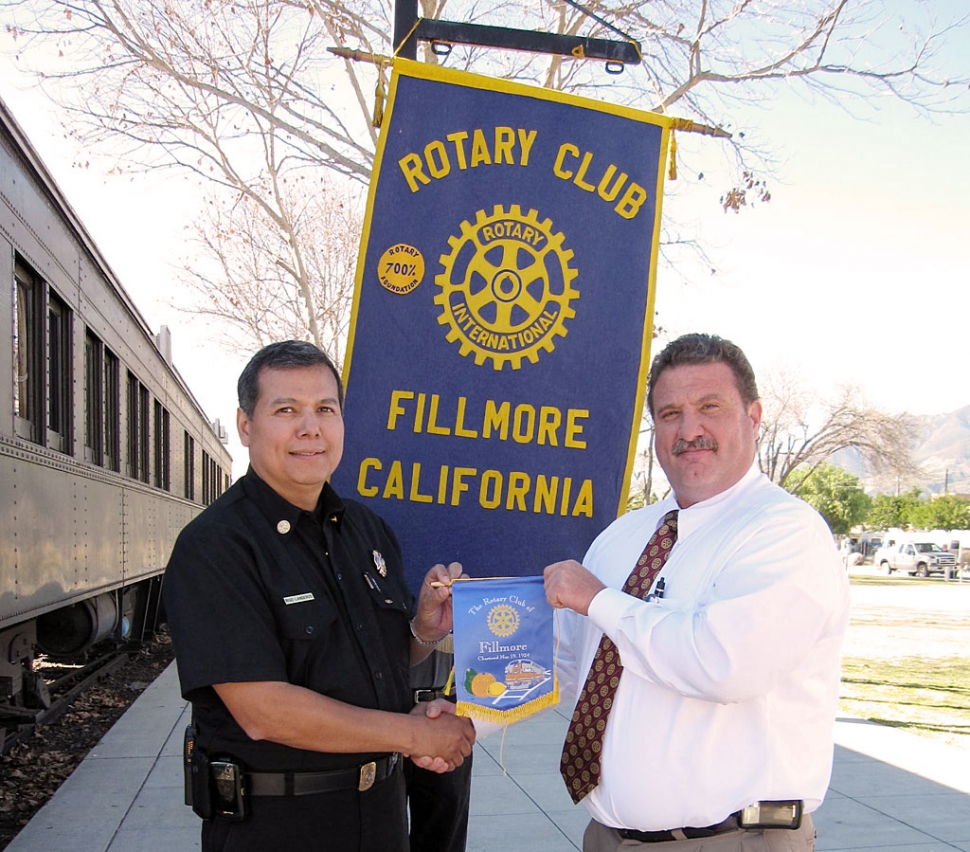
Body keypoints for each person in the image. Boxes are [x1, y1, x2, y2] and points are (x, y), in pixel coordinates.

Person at [163, 340, 476, 852]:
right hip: (279, 827)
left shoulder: (368, 531)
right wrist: (412, 734)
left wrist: (421, 631)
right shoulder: (216, 547)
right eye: (286, 409)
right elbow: (263, 711)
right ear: (246, 425)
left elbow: (373, 668)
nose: (311, 428)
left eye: (325, 410)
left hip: (380, 819)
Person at [544, 333, 850, 852]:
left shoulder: (784, 533)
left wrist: (598, 600)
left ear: (753, 418)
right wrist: (458, 723)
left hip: (732, 840)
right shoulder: (622, 537)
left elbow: (722, 665)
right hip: (607, 838)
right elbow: (561, 662)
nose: (690, 430)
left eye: (710, 407)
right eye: (669, 414)